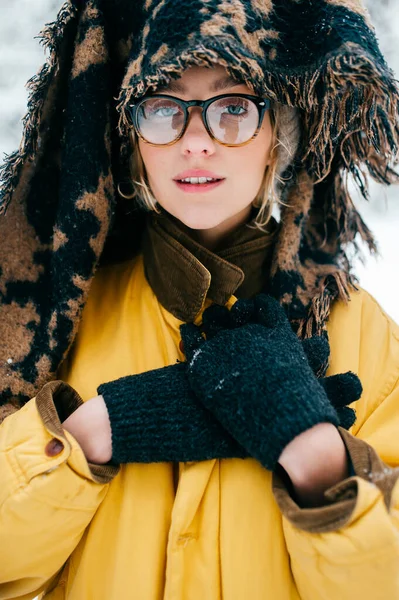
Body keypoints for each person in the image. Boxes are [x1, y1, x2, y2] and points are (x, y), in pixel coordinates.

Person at [0, 0, 399, 598]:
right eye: (163, 108)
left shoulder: (358, 332)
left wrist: (319, 460)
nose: (195, 143)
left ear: (277, 136)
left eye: (233, 108)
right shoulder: (57, 321)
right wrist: (93, 432)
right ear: (135, 139)